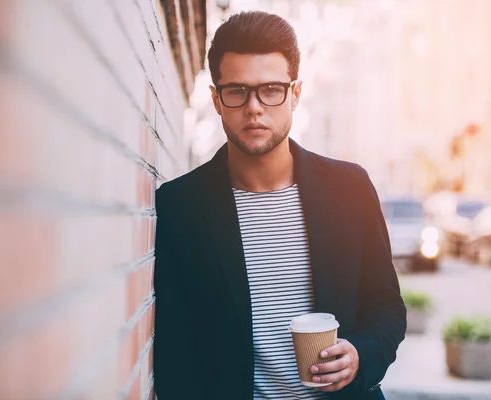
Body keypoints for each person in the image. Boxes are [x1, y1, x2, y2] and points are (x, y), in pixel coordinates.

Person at [153, 10, 406, 400]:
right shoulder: (180, 206)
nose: (254, 107)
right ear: (216, 100)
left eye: (271, 89)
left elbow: (387, 309)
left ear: (295, 94)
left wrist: (359, 355)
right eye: (236, 91)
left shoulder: (349, 188)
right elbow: (175, 350)